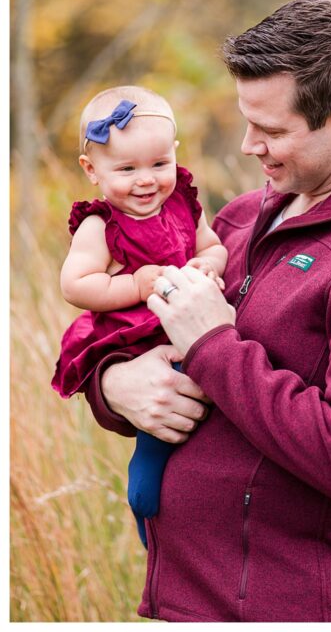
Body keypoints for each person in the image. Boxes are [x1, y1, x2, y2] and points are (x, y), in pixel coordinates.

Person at [80, 0, 331, 622]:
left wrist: (214, 348)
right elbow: (140, 340)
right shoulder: (239, 219)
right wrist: (113, 384)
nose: (248, 144)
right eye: (247, 120)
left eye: (273, 130)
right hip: (189, 602)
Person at [54, 85, 227, 548]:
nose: (146, 180)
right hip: (140, 339)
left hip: (194, 327)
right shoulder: (100, 226)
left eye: (158, 165)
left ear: (174, 154)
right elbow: (76, 284)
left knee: (208, 425)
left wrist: (207, 264)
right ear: (92, 170)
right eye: (127, 169)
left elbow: (212, 246)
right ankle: (146, 510)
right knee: (159, 440)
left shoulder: (185, 203)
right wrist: (134, 284)